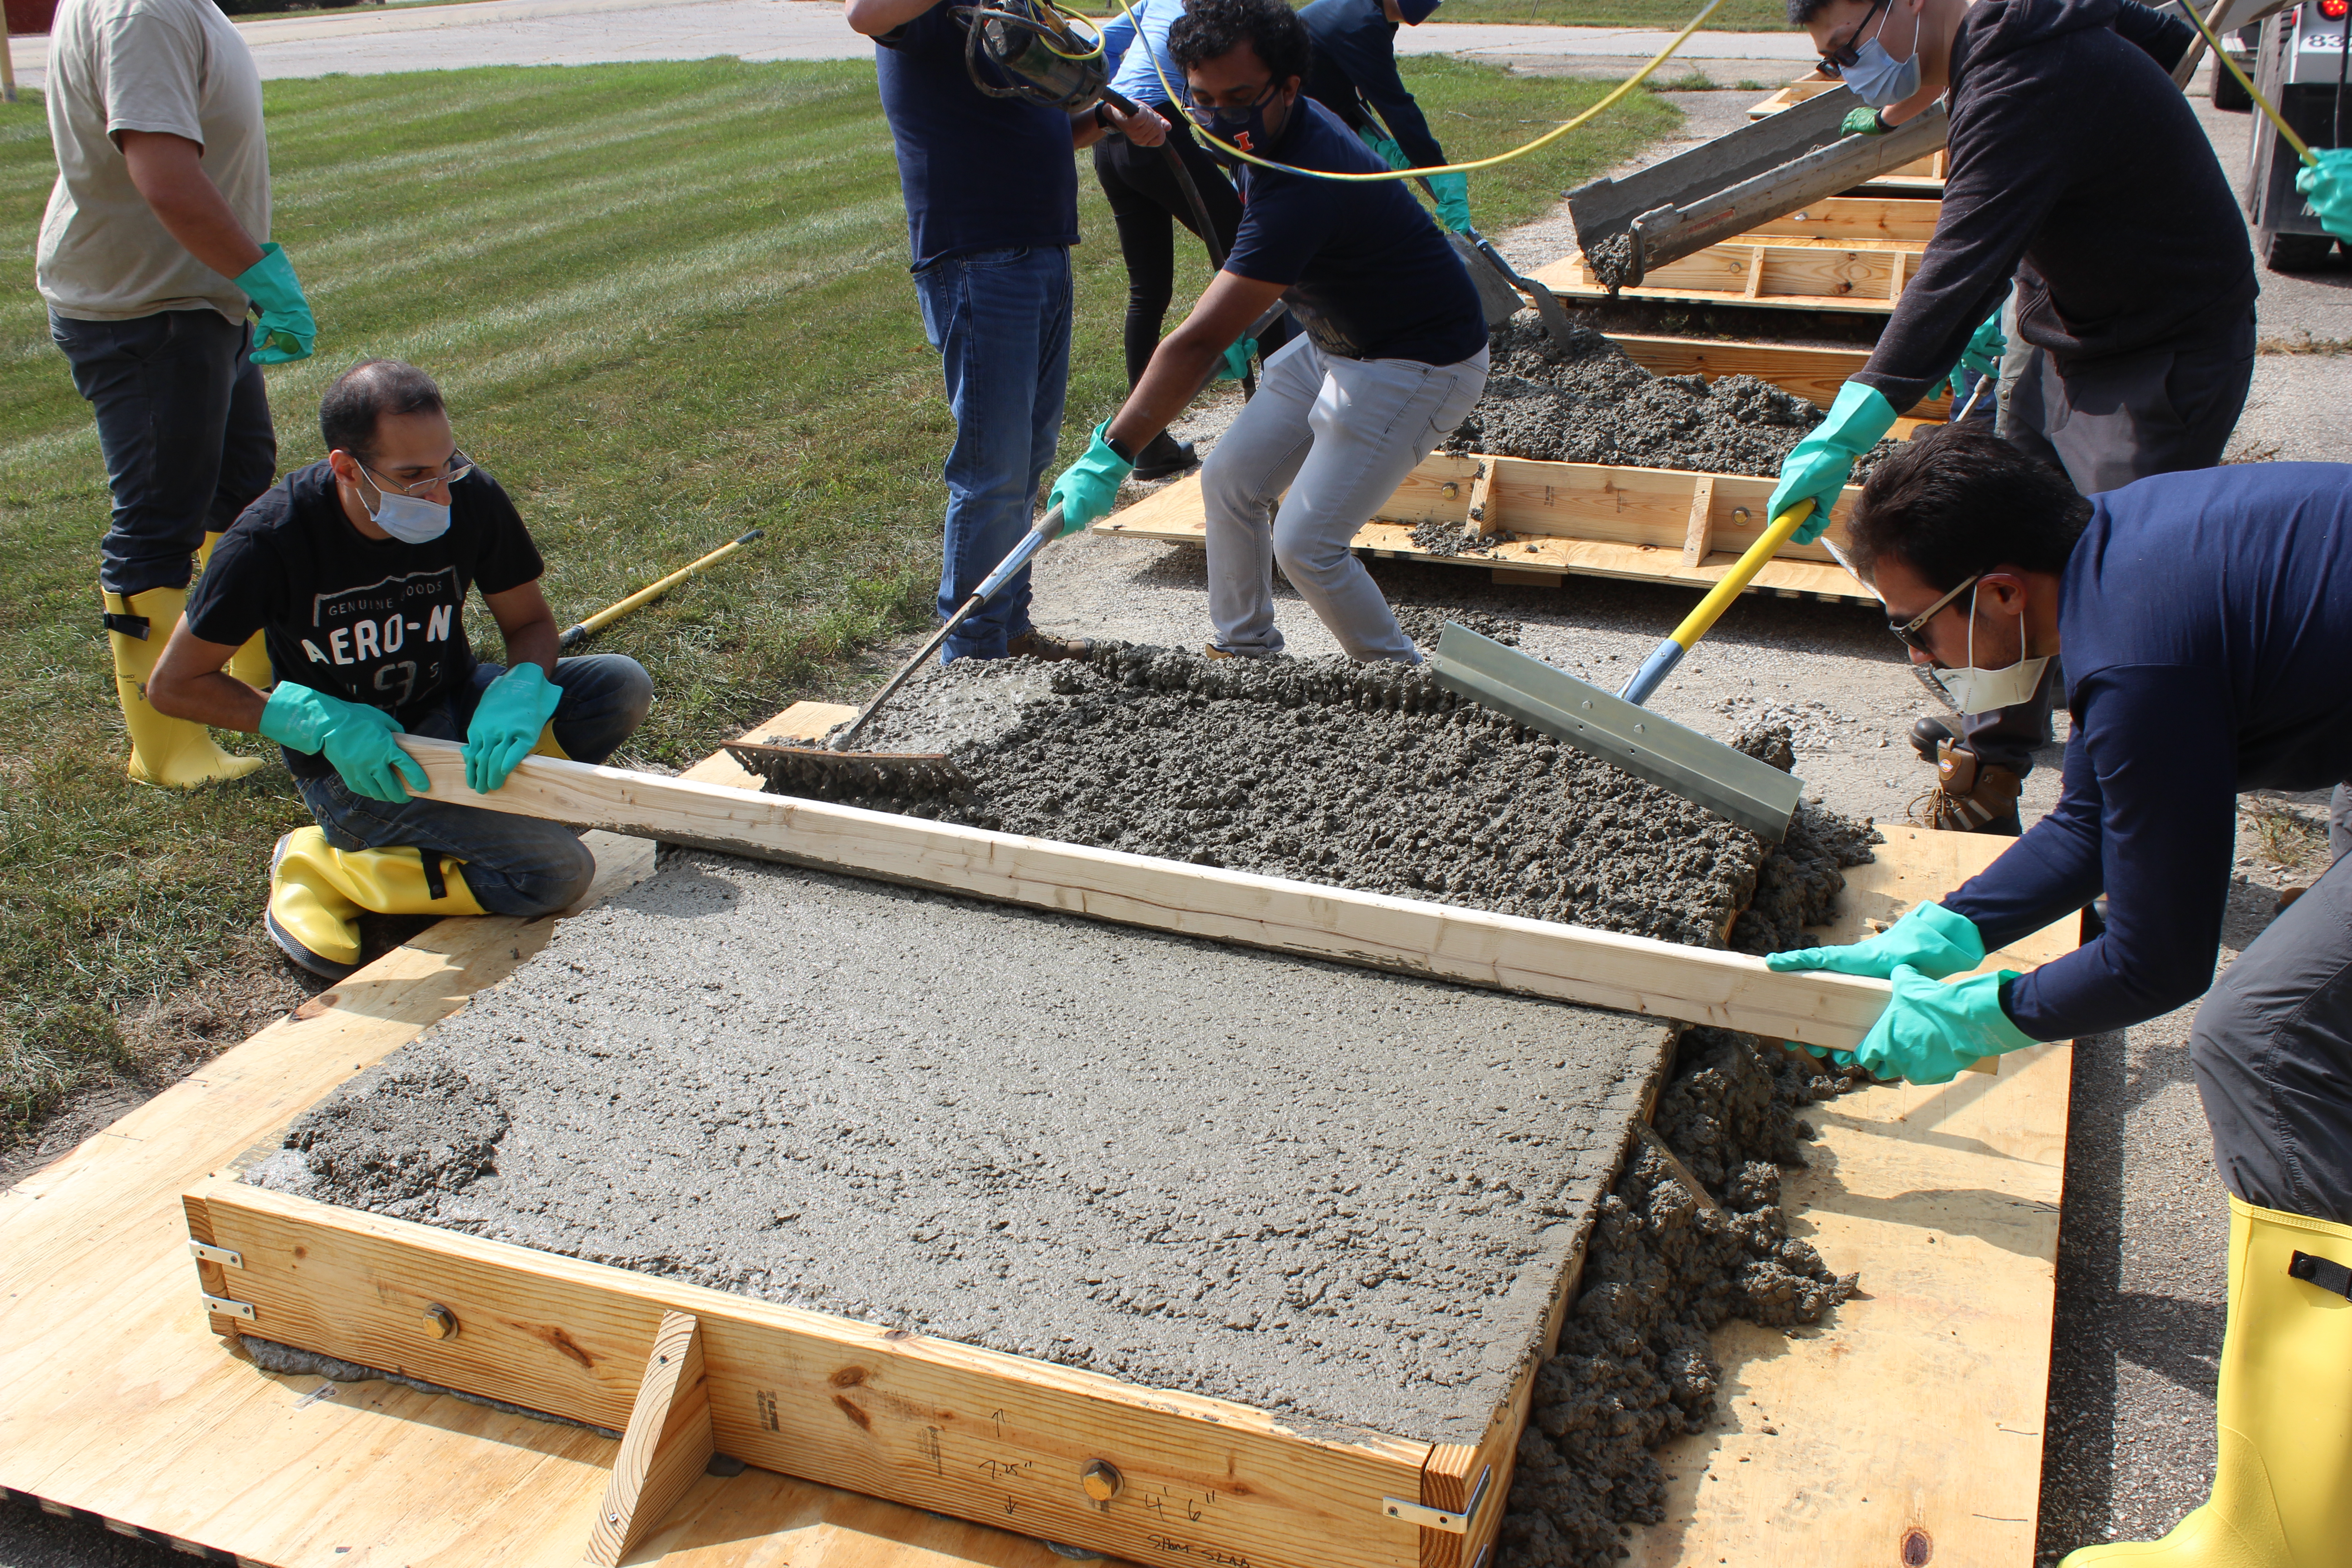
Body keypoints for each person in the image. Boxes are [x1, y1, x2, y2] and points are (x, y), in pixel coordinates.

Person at [1767, 428, 2352, 1568]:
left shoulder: (2136, 659)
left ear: (1995, 590)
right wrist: (1944, 933)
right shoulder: (2115, 560)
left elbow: (2157, 959)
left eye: (1915, 624)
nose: (1921, 655)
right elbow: (2092, 816)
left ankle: (2279, 1538)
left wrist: (1986, 1012)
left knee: (2260, 1034)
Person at [1769, 0, 2257, 833]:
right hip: (2059, 322)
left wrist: (1847, 425)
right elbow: (2164, 40)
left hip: (2161, 343)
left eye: (1850, 48)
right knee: (1992, 548)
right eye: (1833, 63)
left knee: (2113, 591)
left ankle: (2107, 835)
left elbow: (1958, 262)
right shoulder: (2001, 39)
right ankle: (1989, 762)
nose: (1852, 72)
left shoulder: (2026, 71)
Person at [147, 362, 654, 980]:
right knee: (556, 874)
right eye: (413, 476)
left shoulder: (468, 494)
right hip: (357, 765)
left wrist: (520, 690)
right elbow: (174, 685)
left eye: (447, 465)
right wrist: (314, 721)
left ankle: (500, 808)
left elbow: (529, 625)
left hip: (454, 707)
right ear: (346, 468)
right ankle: (329, 865)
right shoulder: (268, 542)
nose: (440, 492)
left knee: (618, 686)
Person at [1044, 0, 1488, 664]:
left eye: (1241, 96)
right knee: (1228, 482)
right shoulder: (1266, 131)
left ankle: (1402, 680)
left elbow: (1192, 344)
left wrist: (1115, 451)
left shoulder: (1302, 181)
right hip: (1337, 338)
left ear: (1289, 87)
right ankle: (1245, 651)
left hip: (1417, 361)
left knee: (1308, 544)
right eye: (1202, 98)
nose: (1220, 116)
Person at [39, 0, 318, 789]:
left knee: (238, 496)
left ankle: (261, 684)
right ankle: (167, 746)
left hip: (193, 301)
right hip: (149, 312)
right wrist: (261, 276)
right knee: (160, 517)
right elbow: (162, 172)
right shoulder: (145, 9)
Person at [844, 0, 1169, 664]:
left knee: (1026, 461)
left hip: (1042, 247)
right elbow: (863, 14)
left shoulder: (1004, 14)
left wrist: (1106, 121)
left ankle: (1009, 628)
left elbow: (1044, 126)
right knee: (992, 470)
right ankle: (970, 656)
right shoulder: (929, 16)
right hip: (977, 256)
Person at [1093, 0, 1272, 483]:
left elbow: (1103, 48)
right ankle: (1286, 425)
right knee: (1267, 265)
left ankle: (1147, 449)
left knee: (1147, 293)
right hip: (1157, 132)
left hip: (1111, 134)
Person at [1296, 0, 1470, 234]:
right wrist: (1436, 167)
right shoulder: (1362, 23)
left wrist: (1362, 132)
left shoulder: (1376, 16)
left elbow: (1346, 79)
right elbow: (1396, 105)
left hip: (1310, 109)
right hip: (1277, 122)